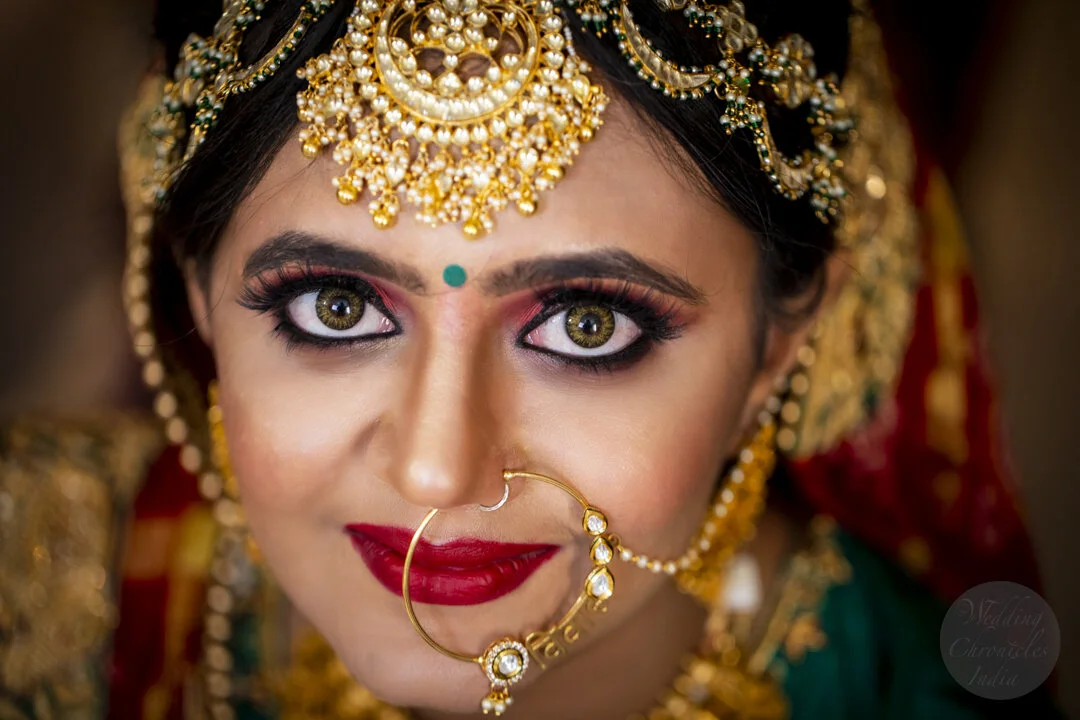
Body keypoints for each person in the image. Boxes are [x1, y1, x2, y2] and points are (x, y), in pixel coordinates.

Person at [0, 0, 1062, 718]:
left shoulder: (910, 687)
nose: (436, 471)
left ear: (777, 349)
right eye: (334, 308)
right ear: (196, 297)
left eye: (586, 327)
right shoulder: (42, 595)